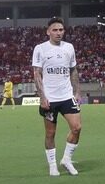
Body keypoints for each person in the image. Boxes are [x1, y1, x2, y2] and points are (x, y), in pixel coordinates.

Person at [32, 17, 83, 175]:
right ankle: (52, 165)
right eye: (55, 30)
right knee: (50, 133)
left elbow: (73, 70)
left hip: (67, 96)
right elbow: (37, 73)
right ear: (48, 32)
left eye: (61, 30)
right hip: (50, 99)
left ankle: (66, 160)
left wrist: (77, 91)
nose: (58, 33)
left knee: (77, 128)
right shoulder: (40, 49)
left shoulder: (69, 48)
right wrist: (42, 97)